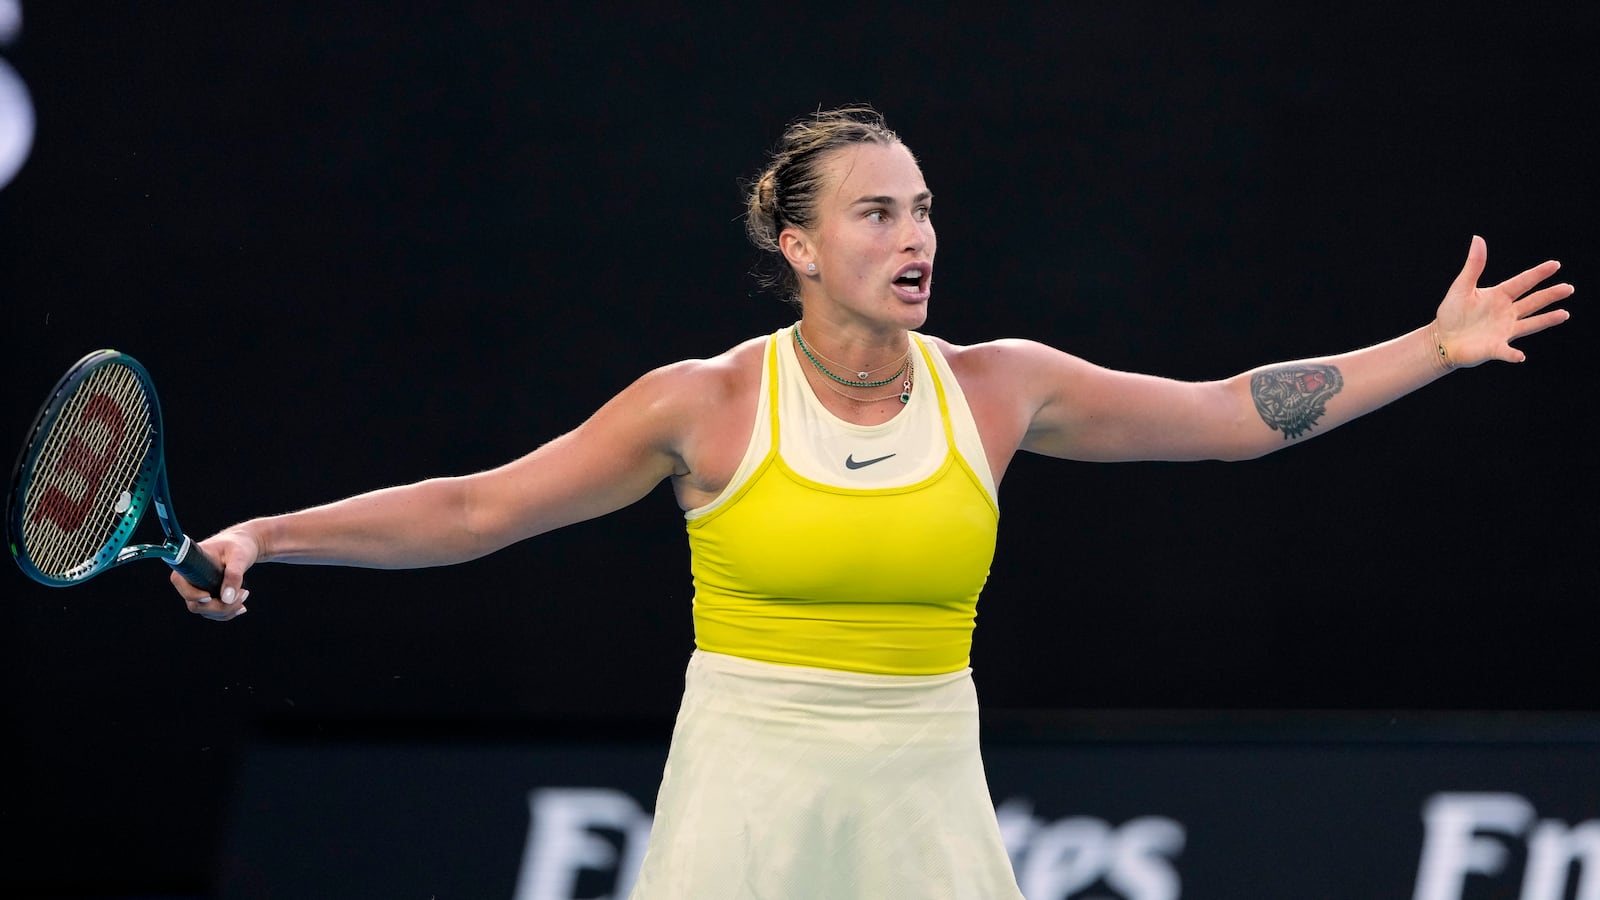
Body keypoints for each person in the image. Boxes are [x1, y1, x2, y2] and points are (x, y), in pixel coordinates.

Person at [170, 106, 1573, 898]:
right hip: (744, 810)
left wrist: (1430, 348)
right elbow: (477, 511)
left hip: (926, 809)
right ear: (799, 245)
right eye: (877, 213)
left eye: (924, 210)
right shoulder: (705, 405)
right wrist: (269, 535)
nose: (915, 238)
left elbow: (1226, 420)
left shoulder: (1001, 388)